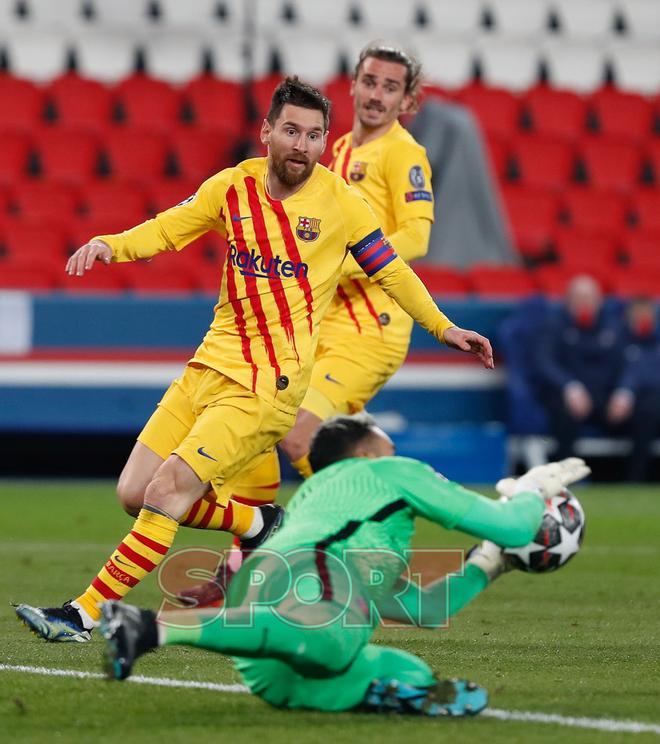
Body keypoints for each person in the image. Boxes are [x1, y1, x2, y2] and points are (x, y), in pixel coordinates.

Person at [16, 76, 493, 643]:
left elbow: (391, 269)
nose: (302, 145)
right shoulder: (233, 186)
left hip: (268, 385)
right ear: (267, 132)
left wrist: (444, 327)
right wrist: (110, 244)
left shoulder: (342, 202)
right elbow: (171, 229)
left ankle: (82, 614)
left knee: (168, 491)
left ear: (323, 142)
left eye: (314, 136)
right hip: (207, 368)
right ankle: (257, 522)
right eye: (291, 130)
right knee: (133, 493)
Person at [179, 41, 445, 606]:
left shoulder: (405, 154)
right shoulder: (337, 149)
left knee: (300, 432)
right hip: (317, 326)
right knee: (258, 431)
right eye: (369, 82)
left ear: (409, 100)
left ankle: (361, 547)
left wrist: (343, 265)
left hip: (371, 327)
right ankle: (244, 567)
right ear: (353, 84)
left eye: (390, 87)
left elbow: (416, 237)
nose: (376, 94)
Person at [100, 413, 590, 717]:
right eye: (385, 439)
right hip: (311, 590)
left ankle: (389, 694)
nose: (395, 448)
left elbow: (424, 608)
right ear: (362, 449)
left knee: (411, 673)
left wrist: (488, 564)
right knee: (333, 638)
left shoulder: (338, 512)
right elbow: (513, 527)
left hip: (275, 642)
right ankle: (150, 629)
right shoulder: (388, 471)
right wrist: (529, 491)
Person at [533, 274, 629, 464]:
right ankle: (567, 471)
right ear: (568, 300)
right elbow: (544, 362)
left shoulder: (613, 326)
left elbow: (627, 363)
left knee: (646, 407)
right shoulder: (553, 325)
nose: (585, 303)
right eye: (579, 298)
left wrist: (625, 392)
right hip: (568, 395)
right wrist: (569, 386)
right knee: (562, 409)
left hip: (605, 396)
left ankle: (635, 479)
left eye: (590, 298)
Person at [615, 296, 660, 480]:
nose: (644, 318)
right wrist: (625, 391)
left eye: (647, 314)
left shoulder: (656, 344)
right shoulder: (616, 342)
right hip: (621, 406)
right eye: (638, 314)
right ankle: (636, 477)